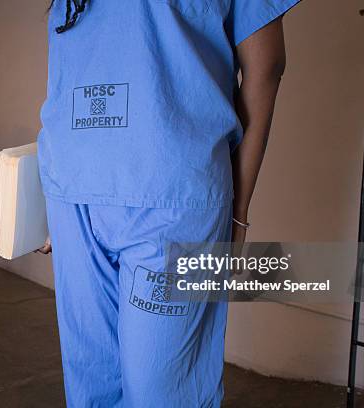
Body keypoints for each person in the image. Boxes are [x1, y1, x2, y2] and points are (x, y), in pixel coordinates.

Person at [37, 0, 300, 406]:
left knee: (160, 393)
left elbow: (266, 68)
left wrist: (238, 213)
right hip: (72, 192)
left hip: (170, 193)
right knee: (92, 383)